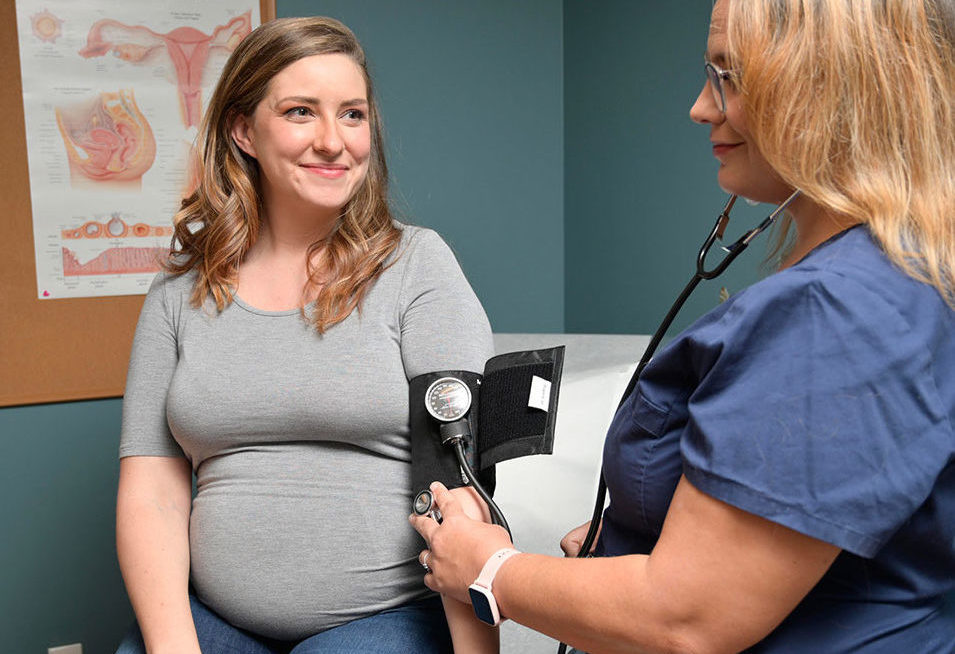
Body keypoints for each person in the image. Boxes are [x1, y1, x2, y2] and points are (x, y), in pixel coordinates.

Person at [411, 0, 955, 651]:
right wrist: (625, 550)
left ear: (830, 88)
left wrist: (487, 569)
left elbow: (687, 617)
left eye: (729, 77)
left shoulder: (836, 311)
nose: (700, 107)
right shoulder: (899, 274)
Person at [115, 16, 498, 654]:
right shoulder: (179, 292)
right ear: (243, 130)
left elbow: (461, 487)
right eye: (300, 112)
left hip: (385, 621)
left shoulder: (417, 267)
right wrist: (171, 645)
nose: (333, 141)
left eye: (352, 114)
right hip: (216, 621)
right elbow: (151, 490)